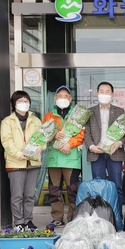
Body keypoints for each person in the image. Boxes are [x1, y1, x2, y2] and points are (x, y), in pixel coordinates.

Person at [0, 90, 42, 231]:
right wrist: (17, 154)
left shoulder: (36, 120)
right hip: (16, 163)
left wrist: (40, 148)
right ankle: (19, 222)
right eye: (20, 101)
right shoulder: (7, 121)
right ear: (14, 104)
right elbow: (6, 141)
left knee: (30, 195)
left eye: (26, 100)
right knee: (17, 195)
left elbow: (43, 139)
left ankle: (28, 220)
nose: (24, 103)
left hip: (33, 162)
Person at [42, 85, 84, 226]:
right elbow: (43, 134)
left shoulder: (77, 115)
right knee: (54, 190)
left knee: (73, 190)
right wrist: (54, 135)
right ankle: (57, 219)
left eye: (66, 96)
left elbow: (81, 134)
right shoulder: (49, 116)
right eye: (60, 96)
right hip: (54, 159)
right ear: (55, 98)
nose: (63, 99)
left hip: (71, 159)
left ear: (71, 99)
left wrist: (69, 144)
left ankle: (73, 219)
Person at [84, 81, 125, 204]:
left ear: (112, 94)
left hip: (115, 152)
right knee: (98, 186)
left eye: (107, 92)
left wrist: (119, 143)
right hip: (96, 153)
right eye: (102, 91)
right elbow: (86, 133)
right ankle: (101, 216)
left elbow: (124, 132)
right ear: (97, 93)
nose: (104, 94)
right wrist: (91, 147)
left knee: (117, 185)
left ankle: (117, 216)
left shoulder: (120, 111)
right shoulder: (89, 112)